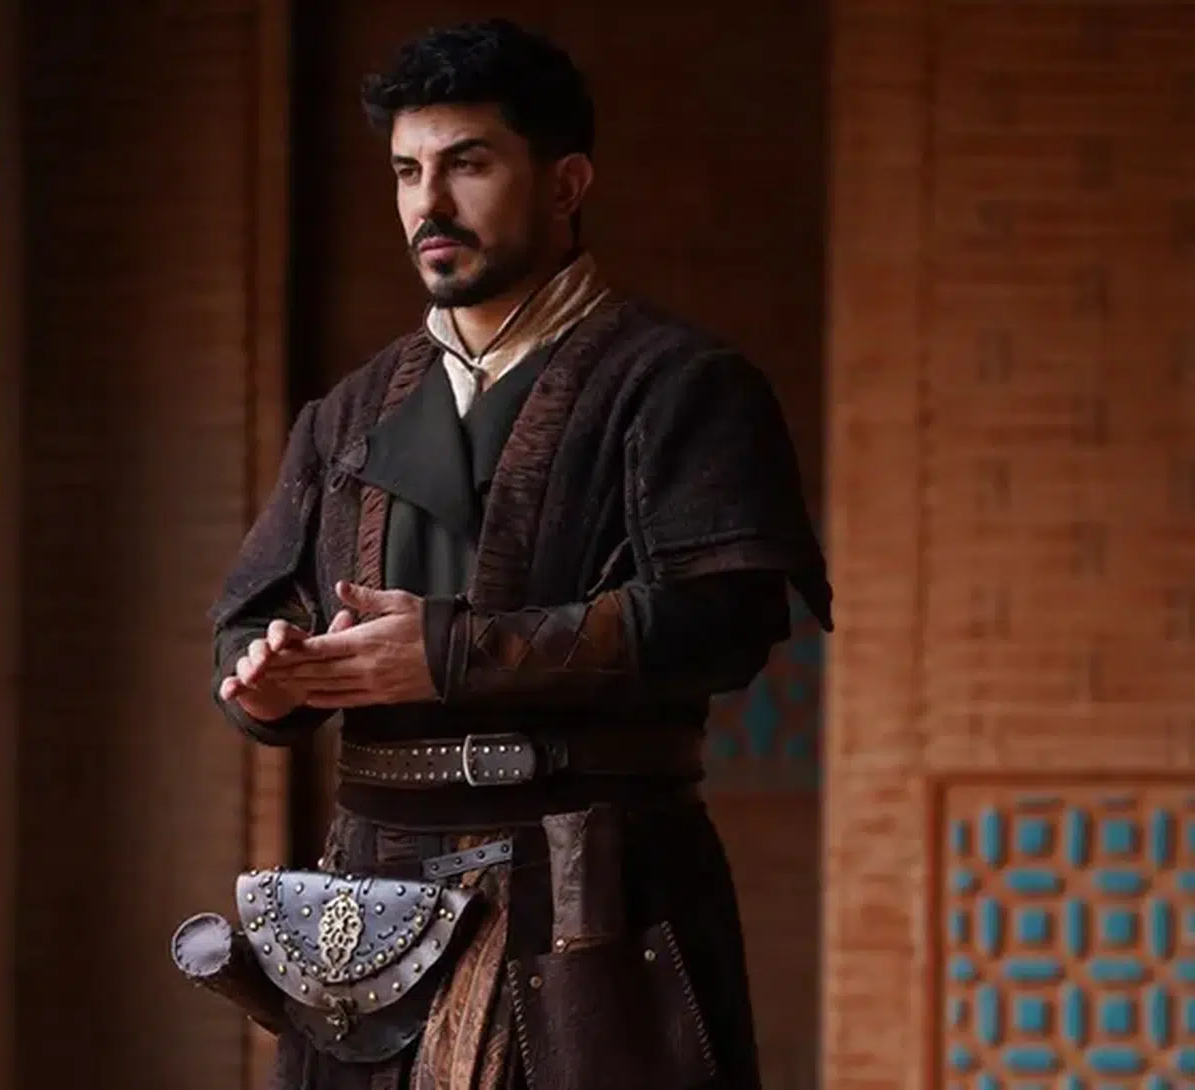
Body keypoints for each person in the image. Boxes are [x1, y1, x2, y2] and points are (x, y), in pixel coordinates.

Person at [209, 18, 831, 1090]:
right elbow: (247, 620)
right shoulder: (346, 413)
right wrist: (268, 681)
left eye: (468, 164)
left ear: (565, 182)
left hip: (593, 891)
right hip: (371, 903)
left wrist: (447, 652)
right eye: (407, 172)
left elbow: (719, 623)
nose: (429, 204)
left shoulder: (678, 384)